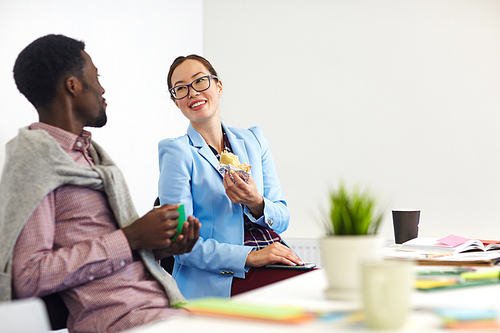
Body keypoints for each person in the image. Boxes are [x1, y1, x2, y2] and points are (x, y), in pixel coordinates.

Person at [0, 34, 200, 333]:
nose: (102, 88)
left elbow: (112, 251)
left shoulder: (92, 158)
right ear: (73, 85)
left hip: (165, 311)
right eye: (96, 77)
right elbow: (28, 277)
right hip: (124, 322)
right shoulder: (34, 161)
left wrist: (161, 246)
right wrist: (130, 238)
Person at [158, 54, 307, 300]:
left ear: (218, 86)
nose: (192, 92)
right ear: (176, 102)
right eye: (180, 89)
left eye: (200, 81)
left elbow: (282, 219)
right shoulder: (177, 152)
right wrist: (249, 256)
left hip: (275, 261)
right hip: (221, 280)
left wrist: (256, 202)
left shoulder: (254, 140)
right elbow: (180, 245)